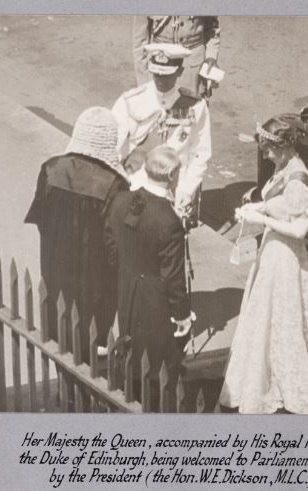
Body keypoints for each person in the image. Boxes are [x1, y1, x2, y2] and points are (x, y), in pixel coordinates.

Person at [218, 117, 308, 414]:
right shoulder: (284, 166)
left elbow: (299, 230)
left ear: (284, 147)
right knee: (265, 316)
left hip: (285, 257)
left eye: (269, 150)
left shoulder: (299, 180)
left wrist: (261, 219)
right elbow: (277, 204)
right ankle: (266, 378)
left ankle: (285, 385)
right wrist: (255, 207)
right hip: (271, 251)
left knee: (282, 317)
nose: (265, 155)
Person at [25, 107, 129, 362]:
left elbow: (41, 220)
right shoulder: (114, 184)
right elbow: (113, 244)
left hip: (55, 265)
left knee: (60, 328)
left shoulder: (50, 169)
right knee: (91, 342)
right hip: (95, 279)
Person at [105, 146, 193, 411]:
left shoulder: (121, 202)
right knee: (160, 362)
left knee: (132, 348)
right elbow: (173, 277)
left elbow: (110, 244)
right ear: (173, 176)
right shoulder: (169, 220)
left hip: (127, 288)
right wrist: (182, 315)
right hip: (156, 300)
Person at [112, 43, 212, 217]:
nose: (160, 78)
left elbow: (200, 153)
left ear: (180, 71)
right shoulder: (131, 101)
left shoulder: (196, 106)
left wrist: (187, 190)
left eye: (166, 74)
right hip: (135, 186)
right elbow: (113, 148)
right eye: (156, 72)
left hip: (173, 194)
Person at [132, 16, 221, 94]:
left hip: (193, 69)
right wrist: (143, 82)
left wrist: (211, 56)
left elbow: (212, 29)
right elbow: (140, 42)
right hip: (159, 66)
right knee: (159, 110)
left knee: (194, 109)